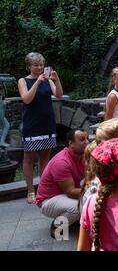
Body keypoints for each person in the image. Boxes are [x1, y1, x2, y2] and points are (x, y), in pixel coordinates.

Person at [18, 52, 63, 203]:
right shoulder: (23, 81)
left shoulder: (47, 80)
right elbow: (27, 99)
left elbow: (59, 95)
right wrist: (37, 82)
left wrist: (56, 81)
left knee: (45, 157)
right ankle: (30, 191)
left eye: (41, 65)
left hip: (47, 123)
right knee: (29, 158)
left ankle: (43, 189)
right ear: (29, 66)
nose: (39, 67)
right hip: (32, 124)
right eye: (36, 65)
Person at [35, 129, 88, 237]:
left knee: (87, 199)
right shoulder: (61, 162)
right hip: (48, 200)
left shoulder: (82, 156)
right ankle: (57, 226)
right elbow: (70, 192)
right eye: (82, 140)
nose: (87, 142)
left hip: (63, 194)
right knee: (78, 207)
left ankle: (74, 221)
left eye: (87, 139)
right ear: (71, 143)